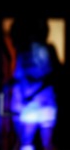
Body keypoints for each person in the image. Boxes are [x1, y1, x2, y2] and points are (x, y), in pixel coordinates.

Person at [9, 17, 59, 150]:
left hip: (32, 103)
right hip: (42, 103)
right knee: (41, 143)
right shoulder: (46, 49)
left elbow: (20, 79)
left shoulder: (26, 51)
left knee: (27, 142)